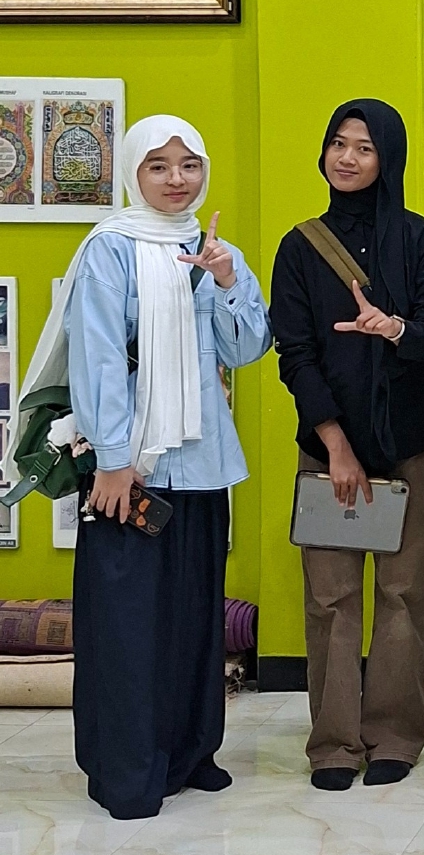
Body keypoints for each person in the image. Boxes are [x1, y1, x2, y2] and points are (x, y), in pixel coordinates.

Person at [53, 116, 269, 819]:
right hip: (134, 470)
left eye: (190, 164)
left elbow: (244, 350)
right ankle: (126, 770)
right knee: (127, 626)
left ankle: (189, 751)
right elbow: (97, 360)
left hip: (202, 467)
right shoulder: (111, 248)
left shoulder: (208, 248)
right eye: (159, 165)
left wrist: (229, 279)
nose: (177, 178)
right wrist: (113, 461)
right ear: (132, 172)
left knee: (192, 618)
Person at [272, 99, 424, 791]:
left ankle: (395, 737)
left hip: (411, 441)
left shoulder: (421, 238)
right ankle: (334, 745)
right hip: (328, 449)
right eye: (337, 143)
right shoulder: (300, 245)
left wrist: (396, 329)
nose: (347, 158)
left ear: (389, 159)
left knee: (405, 595)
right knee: (330, 598)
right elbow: (295, 353)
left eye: (364, 147)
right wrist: (334, 443)